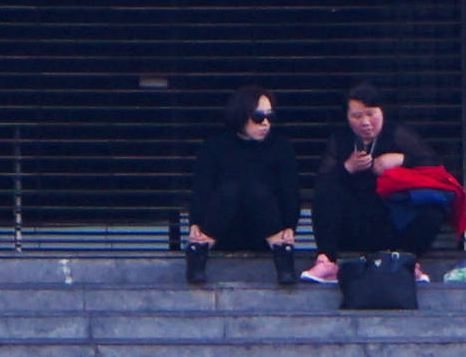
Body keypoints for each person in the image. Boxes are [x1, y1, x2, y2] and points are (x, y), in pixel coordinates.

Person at [182, 91, 310, 285]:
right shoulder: (215, 147)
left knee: (255, 190)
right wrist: (195, 224)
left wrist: (290, 227)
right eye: (258, 117)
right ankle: (198, 254)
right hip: (223, 229)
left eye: (270, 117)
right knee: (231, 190)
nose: (266, 123)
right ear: (241, 116)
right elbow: (202, 188)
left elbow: (290, 192)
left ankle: (283, 257)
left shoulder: (280, 148)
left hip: (266, 231)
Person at [313, 88, 447, 265]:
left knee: (432, 210)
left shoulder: (398, 134)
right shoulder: (340, 139)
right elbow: (322, 183)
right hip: (355, 222)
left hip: (392, 220)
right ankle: (327, 261)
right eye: (357, 116)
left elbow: (434, 165)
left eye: (371, 114)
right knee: (326, 194)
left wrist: (402, 159)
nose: (365, 122)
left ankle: (409, 261)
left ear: (382, 112)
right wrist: (348, 167)